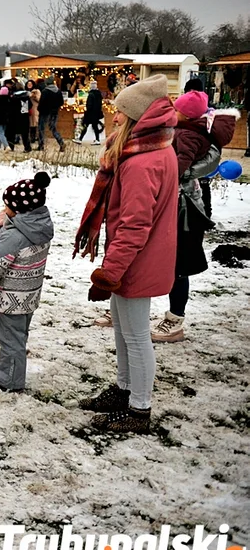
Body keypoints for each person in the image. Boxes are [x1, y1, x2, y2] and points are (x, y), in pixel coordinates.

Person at [75, 74, 178, 434]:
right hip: (136, 257)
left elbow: (135, 226)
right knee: (123, 330)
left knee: (136, 336)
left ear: (137, 117)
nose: (114, 117)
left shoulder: (141, 163)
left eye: (120, 112)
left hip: (138, 260)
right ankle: (123, 390)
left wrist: (110, 272)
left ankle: (139, 410)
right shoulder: (150, 150)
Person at [151, 83, 237, 343]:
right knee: (169, 262)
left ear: (186, 115)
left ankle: (175, 321)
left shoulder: (189, 135)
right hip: (177, 201)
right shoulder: (190, 129)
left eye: (177, 110)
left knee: (180, 265)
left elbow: (180, 164)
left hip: (184, 207)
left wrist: (165, 173)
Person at [0, 172, 54, 392]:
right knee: (17, 335)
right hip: (28, 293)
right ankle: (7, 366)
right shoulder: (38, 227)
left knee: (10, 339)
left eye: (7, 205)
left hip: (11, 297)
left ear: (19, 210)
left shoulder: (14, 236)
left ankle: (10, 381)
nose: (4, 208)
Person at [37, 79, 66, 152]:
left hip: (44, 112)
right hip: (54, 112)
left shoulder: (45, 91)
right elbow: (61, 102)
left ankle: (41, 145)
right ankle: (61, 142)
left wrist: (39, 109)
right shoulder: (58, 91)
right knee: (53, 128)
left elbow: (42, 102)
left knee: (41, 128)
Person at [11, 81, 32, 152]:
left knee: (11, 132)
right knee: (25, 134)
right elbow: (30, 105)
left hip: (15, 117)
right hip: (25, 116)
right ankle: (27, 147)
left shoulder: (14, 97)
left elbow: (11, 107)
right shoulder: (26, 96)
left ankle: (11, 146)